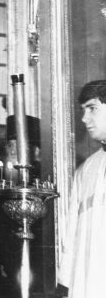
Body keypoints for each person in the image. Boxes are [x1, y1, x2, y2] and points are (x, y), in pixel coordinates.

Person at [58, 79, 106, 297]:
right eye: (83, 110)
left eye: (92, 108)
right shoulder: (85, 170)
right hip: (88, 283)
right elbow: (71, 236)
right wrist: (65, 283)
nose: (84, 118)